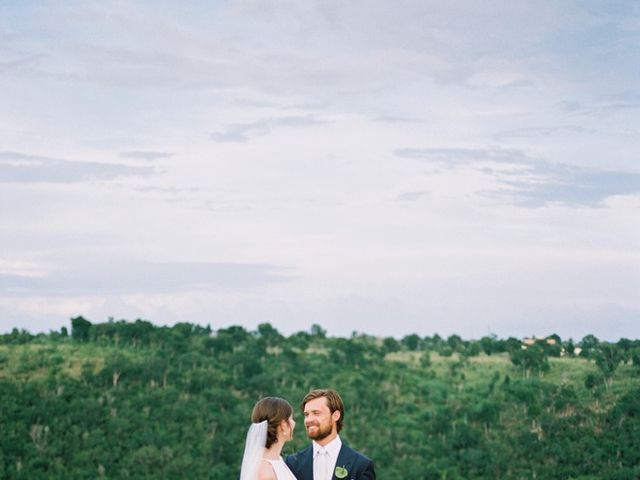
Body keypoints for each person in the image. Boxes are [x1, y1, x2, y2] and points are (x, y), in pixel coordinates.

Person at [285, 389, 376, 480]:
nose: (309, 420)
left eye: (316, 413)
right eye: (306, 414)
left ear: (335, 416)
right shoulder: (292, 463)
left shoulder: (361, 465)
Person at [240, 396, 298, 480]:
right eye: (291, 418)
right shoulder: (265, 472)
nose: (294, 423)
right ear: (283, 425)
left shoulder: (278, 461)